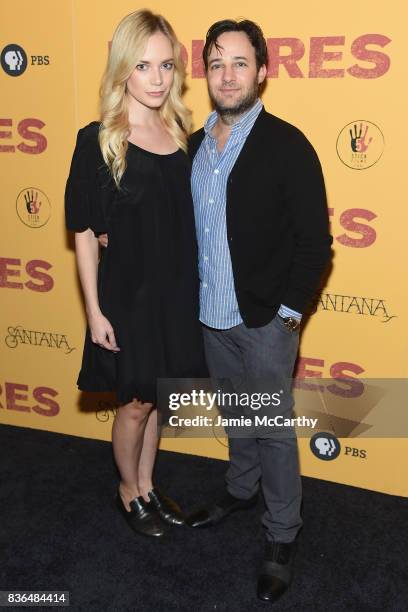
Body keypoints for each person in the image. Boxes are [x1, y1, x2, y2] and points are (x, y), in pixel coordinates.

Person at [185, 19, 333, 602]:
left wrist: (290, 316)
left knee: (272, 431)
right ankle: (239, 489)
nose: (227, 74)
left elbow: (314, 243)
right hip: (211, 315)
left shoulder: (287, 144)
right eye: (217, 63)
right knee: (237, 415)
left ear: (262, 72)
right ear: (206, 72)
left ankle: (281, 535)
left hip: (268, 320)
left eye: (240, 63)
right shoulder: (193, 146)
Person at [65, 9, 207, 539]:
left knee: (157, 400)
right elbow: (83, 231)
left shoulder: (181, 132)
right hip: (127, 295)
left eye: (166, 65)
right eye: (144, 65)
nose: (157, 78)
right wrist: (94, 311)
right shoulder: (99, 139)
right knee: (135, 404)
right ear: (123, 67)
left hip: (176, 294)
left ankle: (148, 486)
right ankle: (128, 492)